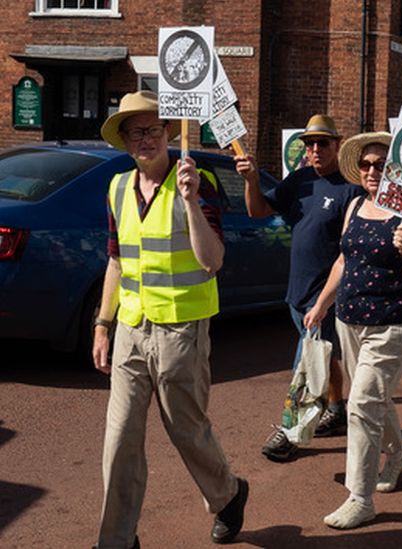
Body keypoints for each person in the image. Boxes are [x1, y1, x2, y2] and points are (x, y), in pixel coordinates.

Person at [92, 91, 247, 547]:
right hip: (131, 329)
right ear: (124, 141)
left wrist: (192, 202)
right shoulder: (117, 188)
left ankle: (227, 494)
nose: (146, 139)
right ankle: (117, 539)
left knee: (187, 431)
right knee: (119, 439)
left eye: (154, 130)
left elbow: (212, 260)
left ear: (167, 134)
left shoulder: (196, 183)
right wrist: (103, 323)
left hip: (182, 328)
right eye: (135, 132)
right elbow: (117, 262)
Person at [304, 132, 402, 529]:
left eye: (381, 165)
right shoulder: (357, 206)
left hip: (394, 320)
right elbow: (344, 262)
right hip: (349, 318)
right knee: (373, 398)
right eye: (365, 164)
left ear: (398, 170)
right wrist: (320, 305)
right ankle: (396, 456)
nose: (371, 171)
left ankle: (359, 498)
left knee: (362, 402)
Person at [236, 114, 362, 461]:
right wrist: (250, 180)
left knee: (305, 364)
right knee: (325, 354)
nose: (316, 149)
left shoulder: (352, 187)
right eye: (310, 144)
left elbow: (351, 250)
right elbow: (258, 210)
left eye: (323, 143)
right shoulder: (300, 180)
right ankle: (336, 410)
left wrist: (325, 299)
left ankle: (290, 431)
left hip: (326, 296)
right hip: (297, 291)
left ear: (338, 145)